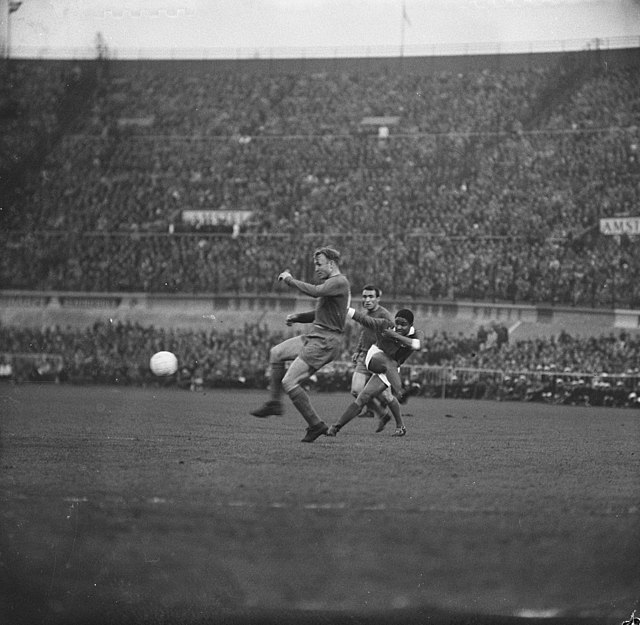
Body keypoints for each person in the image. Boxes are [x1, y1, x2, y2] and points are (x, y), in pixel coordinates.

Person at [250, 246, 351, 443]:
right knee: (276, 353)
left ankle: (316, 425)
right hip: (316, 335)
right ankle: (274, 403)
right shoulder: (332, 285)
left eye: (319, 264)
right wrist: (298, 317)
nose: (316, 268)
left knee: (289, 382)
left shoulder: (339, 282)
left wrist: (289, 279)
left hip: (325, 341)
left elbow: (315, 292)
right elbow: (319, 314)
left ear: (331, 264)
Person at [327, 307, 424, 438]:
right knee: (388, 363)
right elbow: (364, 319)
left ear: (411, 325)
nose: (399, 326)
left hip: (391, 370)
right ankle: (402, 392)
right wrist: (345, 308)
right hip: (375, 357)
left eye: (403, 324)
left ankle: (335, 427)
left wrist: (394, 335)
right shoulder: (385, 325)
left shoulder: (417, 334)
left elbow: (418, 345)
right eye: (397, 323)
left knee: (364, 397)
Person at [350, 285, 395, 432]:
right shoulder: (365, 313)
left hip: (378, 358)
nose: (367, 300)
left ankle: (400, 425)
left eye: (371, 297)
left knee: (387, 396)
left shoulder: (385, 315)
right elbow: (364, 333)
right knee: (356, 391)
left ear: (378, 299)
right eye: (364, 297)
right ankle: (382, 414)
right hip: (364, 356)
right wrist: (357, 350)